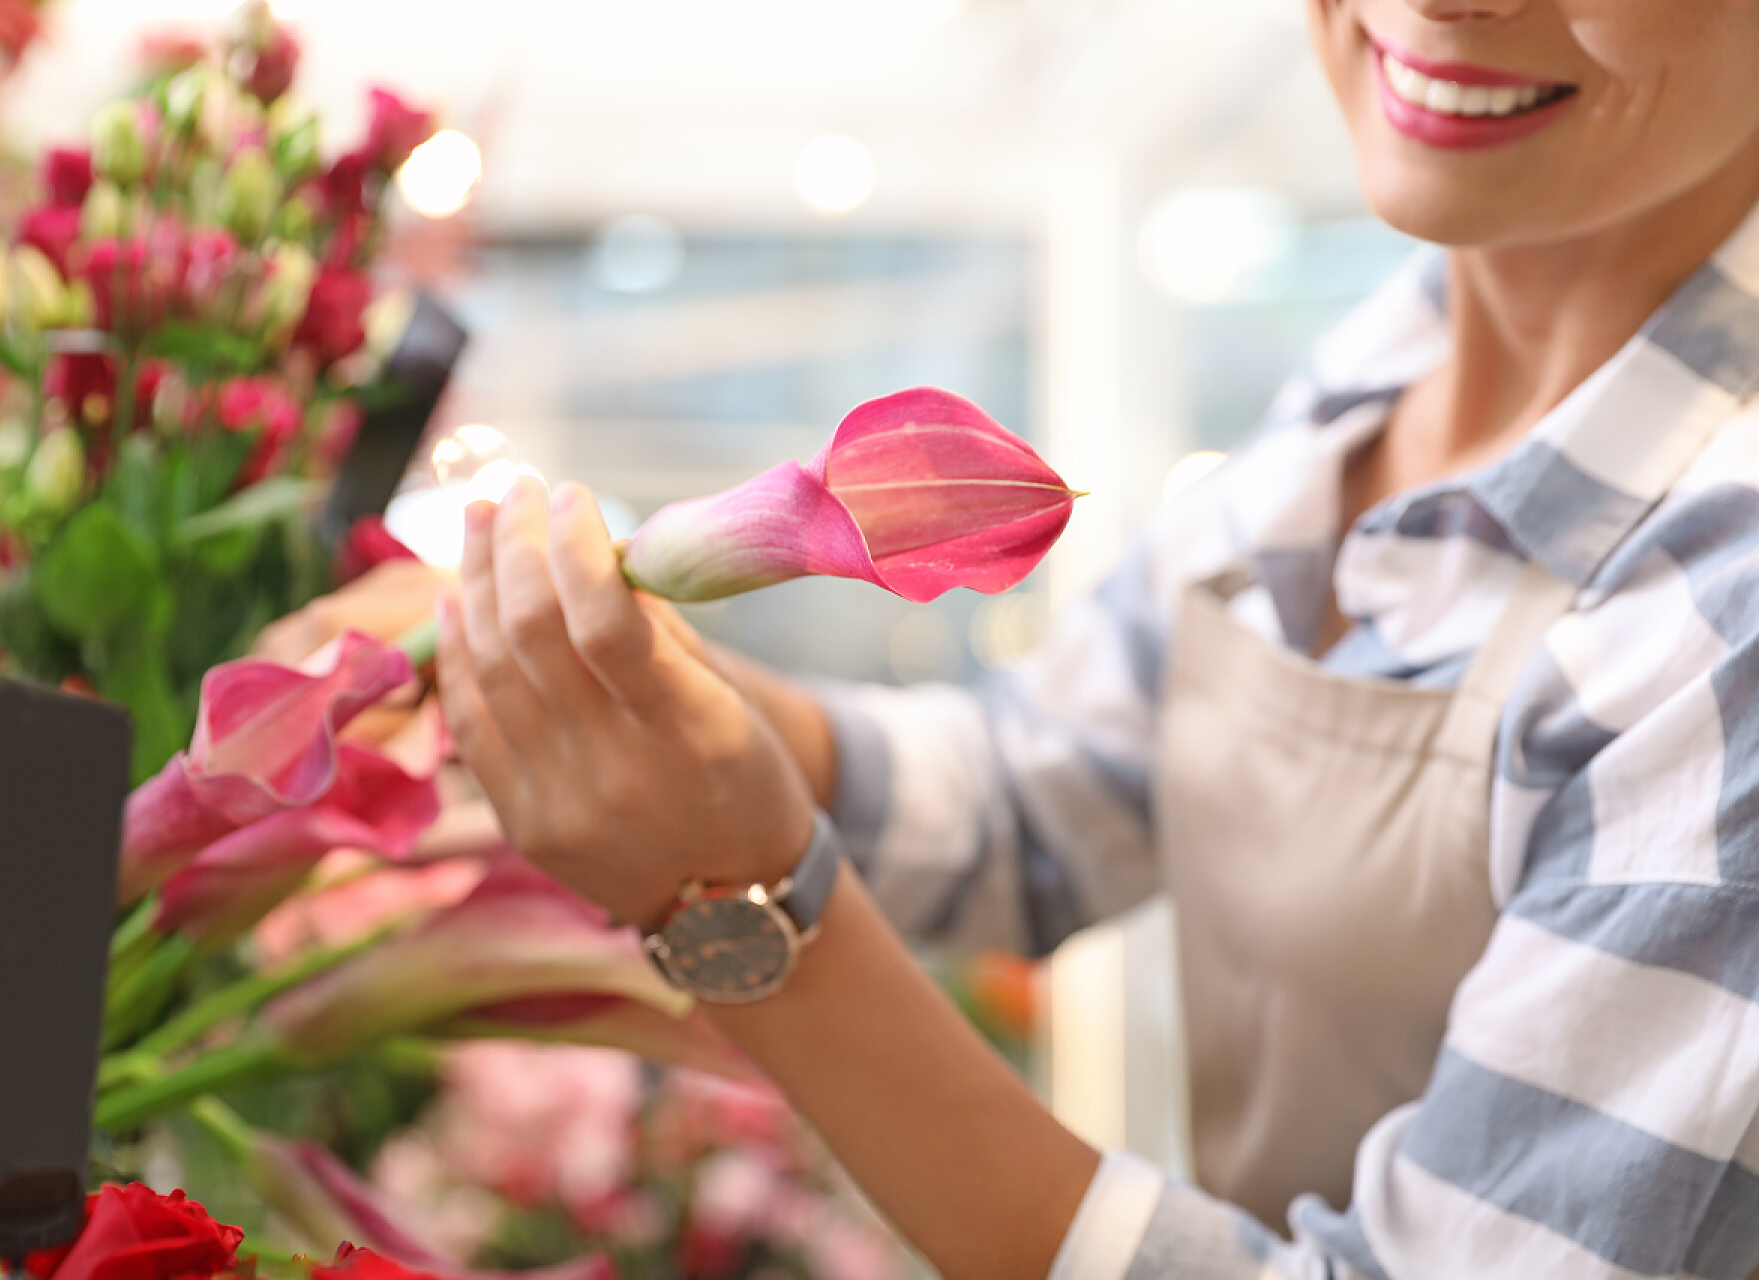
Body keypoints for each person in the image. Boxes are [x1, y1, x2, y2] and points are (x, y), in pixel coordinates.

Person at [428, 2, 1759, 1276]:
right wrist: (619, 675)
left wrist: (732, 902)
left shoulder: (1726, 601)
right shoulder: (1410, 342)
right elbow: (1047, 797)